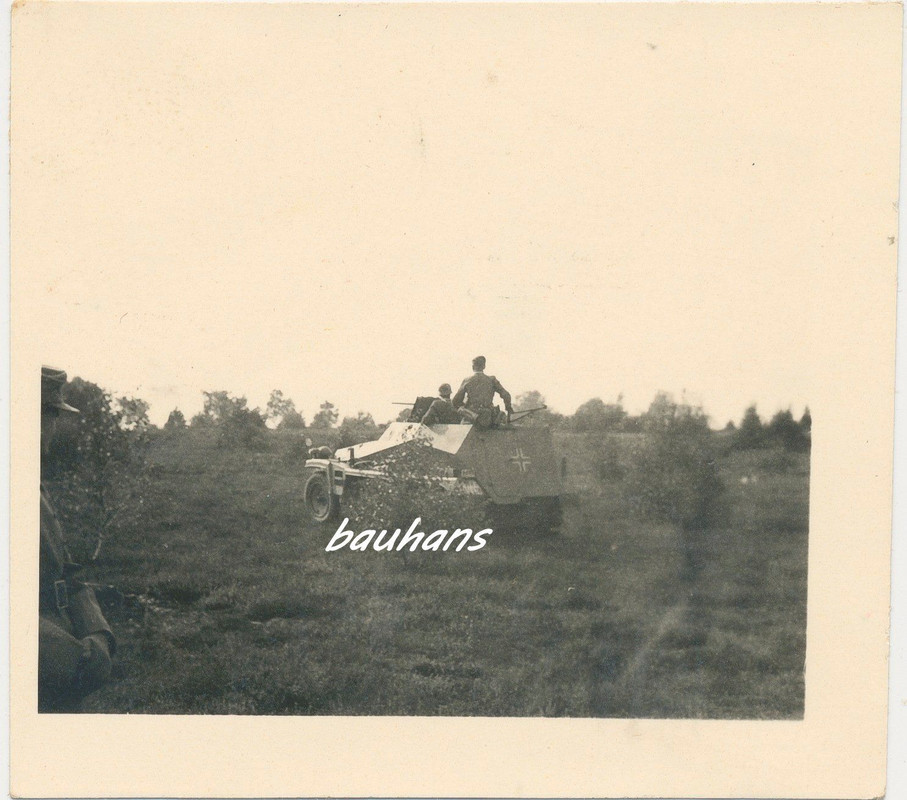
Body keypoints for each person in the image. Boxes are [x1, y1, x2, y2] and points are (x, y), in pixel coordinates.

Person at [39, 367, 116, 711]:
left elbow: (66, 573)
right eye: (45, 414)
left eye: (50, 416)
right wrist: (68, 655)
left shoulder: (34, 486)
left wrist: (99, 635)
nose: (49, 428)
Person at [452, 356, 513, 427]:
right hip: (487, 418)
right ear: (484, 366)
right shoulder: (492, 380)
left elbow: (455, 401)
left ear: (473, 367)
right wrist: (508, 407)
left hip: (470, 418)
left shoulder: (467, 380)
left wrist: (465, 408)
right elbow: (506, 395)